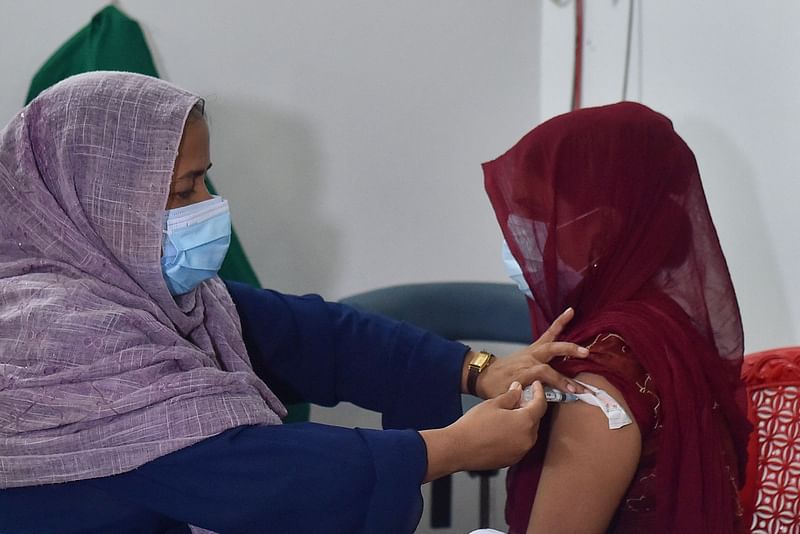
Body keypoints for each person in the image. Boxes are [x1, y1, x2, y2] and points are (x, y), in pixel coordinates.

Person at [0, 72, 590, 534]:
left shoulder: (156, 293)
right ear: (95, 205)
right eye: (184, 190)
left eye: (205, 179)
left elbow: (318, 336)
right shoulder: (50, 335)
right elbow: (237, 468)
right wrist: (445, 450)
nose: (209, 203)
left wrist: (477, 370)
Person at [484, 102, 752, 533]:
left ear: (599, 229)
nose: (520, 238)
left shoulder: (595, 379)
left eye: (541, 217)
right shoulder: (669, 324)